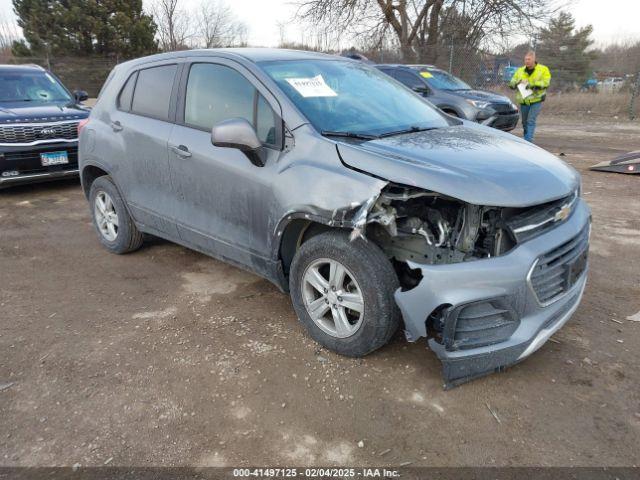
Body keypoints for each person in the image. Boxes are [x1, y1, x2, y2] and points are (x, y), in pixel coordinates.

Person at [509, 51, 551, 143]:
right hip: (524, 100)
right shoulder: (520, 70)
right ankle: (526, 139)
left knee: (530, 120)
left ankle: (528, 141)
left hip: (536, 99)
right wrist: (516, 83)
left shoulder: (543, 69)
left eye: (529, 59)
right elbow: (511, 82)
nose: (527, 61)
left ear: (534, 59)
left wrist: (532, 84)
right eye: (525, 59)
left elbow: (546, 82)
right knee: (524, 122)